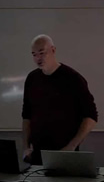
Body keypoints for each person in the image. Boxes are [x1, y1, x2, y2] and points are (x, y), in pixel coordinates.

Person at [21, 34, 98, 165]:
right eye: (34, 55)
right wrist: (25, 147)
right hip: (37, 154)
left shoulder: (73, 79)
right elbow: (26, 115)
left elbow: (91, 116)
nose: (38, 58)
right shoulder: (32, 79)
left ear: (53, 50)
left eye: (42, 53)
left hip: (65, 153)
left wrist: (71, 147)